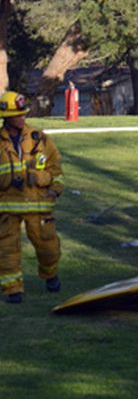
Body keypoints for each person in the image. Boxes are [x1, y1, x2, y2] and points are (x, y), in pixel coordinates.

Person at [0, 91, 64, 304]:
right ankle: (13, 289)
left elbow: (56, 168)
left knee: (48, 247)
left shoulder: (40, 138)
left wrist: (54, 188)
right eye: (18, 115)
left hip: (38, 203)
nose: (22, 118)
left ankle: (50, 274)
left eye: (23, 114)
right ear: (6, 118)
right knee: (6, 249)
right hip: (7, 206)